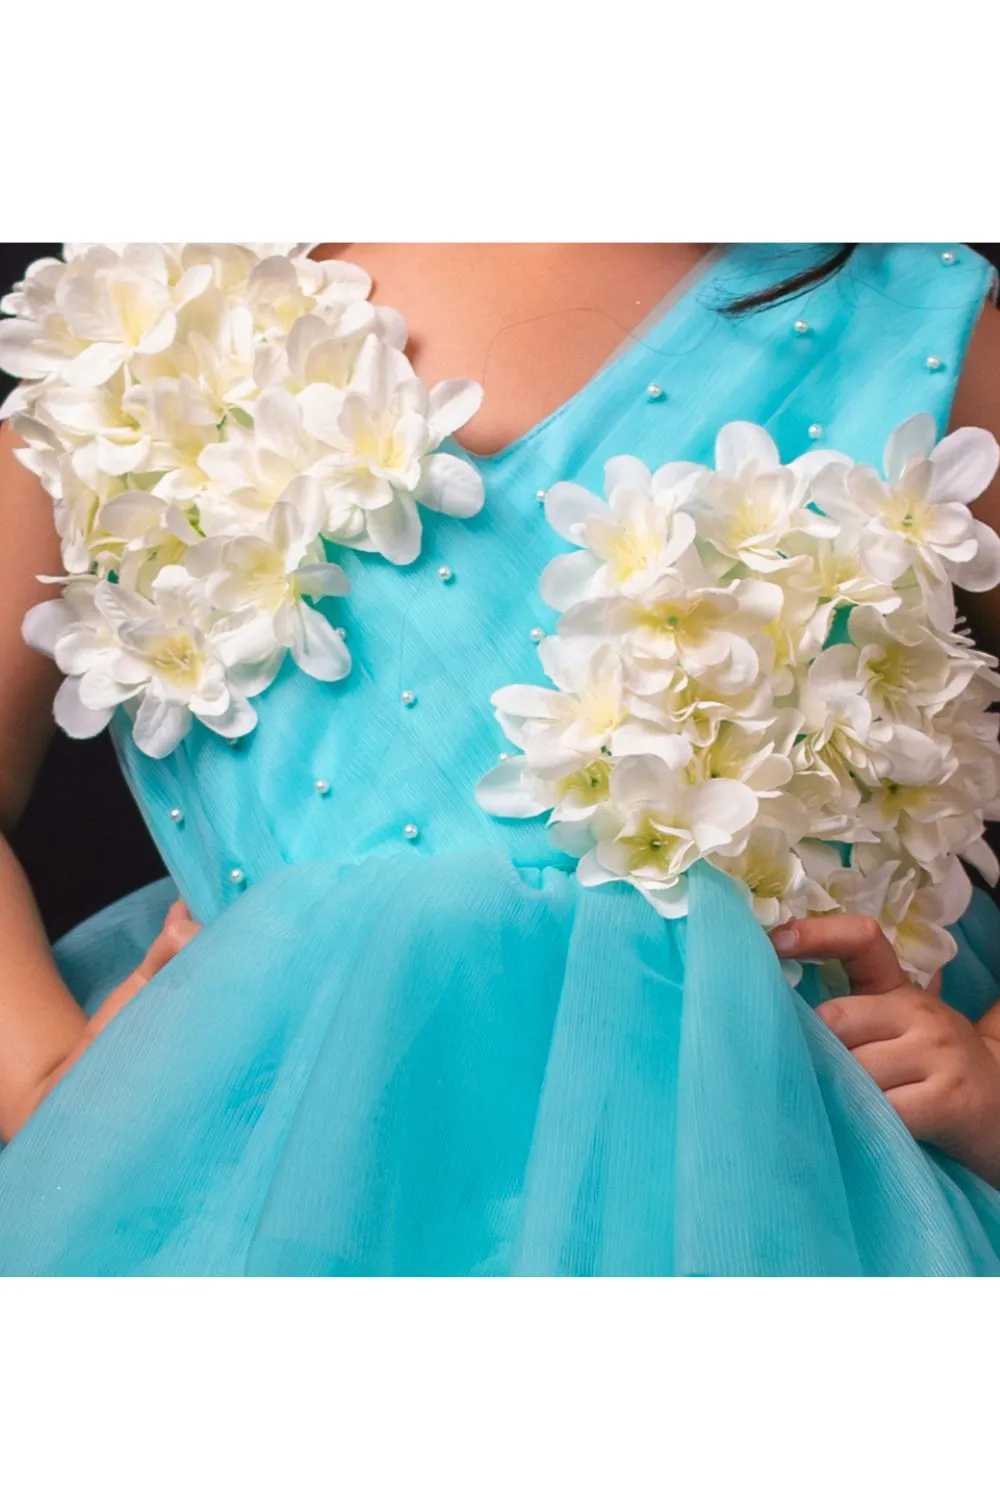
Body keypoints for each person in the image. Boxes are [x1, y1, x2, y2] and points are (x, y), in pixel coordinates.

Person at [3, 241, 1000, 1275]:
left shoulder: (912, 326)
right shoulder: (141, 322)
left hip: (771, 1178)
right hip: (255, 1163)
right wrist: (37, 1070)